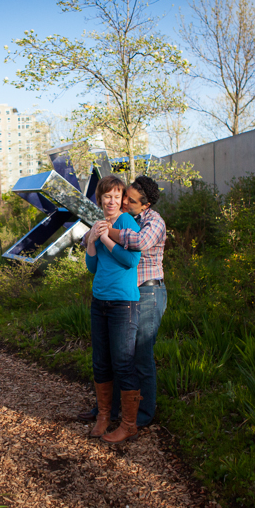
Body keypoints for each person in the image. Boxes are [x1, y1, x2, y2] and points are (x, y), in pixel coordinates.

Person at [78, 175, 167, 428]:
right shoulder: (126, 218)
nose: (123, 202)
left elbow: (136, 244)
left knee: (139, 355)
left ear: (145, 205)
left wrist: (103, 233)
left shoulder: (153, 221)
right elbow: (92, 244)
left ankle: (142, 416)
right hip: (122, 292)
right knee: (117, 354)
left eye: (129, 199)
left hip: (149, 292)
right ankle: (108, 410)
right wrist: (91, 236)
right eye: (122, 196)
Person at [86, 175, 142, 444]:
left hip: (123, 303)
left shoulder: (126, 222)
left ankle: (129, 424)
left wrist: (106, 239)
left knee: (123, 362)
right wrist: (90, 242)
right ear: (100, 199)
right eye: (107, 196)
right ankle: (104, 416)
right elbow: (93, 267)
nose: (111, 200)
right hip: (100, 301)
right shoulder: (99, 223)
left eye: (116, 196)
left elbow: (131, 260)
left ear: (122, 199)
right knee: (101, 362)